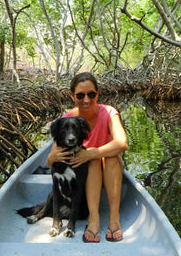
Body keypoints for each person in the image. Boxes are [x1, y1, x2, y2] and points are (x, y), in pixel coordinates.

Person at [46, 72, 128, 243]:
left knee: (109, 157)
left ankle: (114, 218)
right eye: (80, 95)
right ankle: (94, 219)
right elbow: (50, 161)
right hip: (86, 179)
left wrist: (92, 152)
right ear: (72, 96)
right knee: (92, 162)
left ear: (97, 93)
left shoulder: (109, 112)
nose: (86, 100)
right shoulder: (67, 120)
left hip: (109, 174)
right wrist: (52, 156)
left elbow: (122, 143)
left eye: (91, 94)